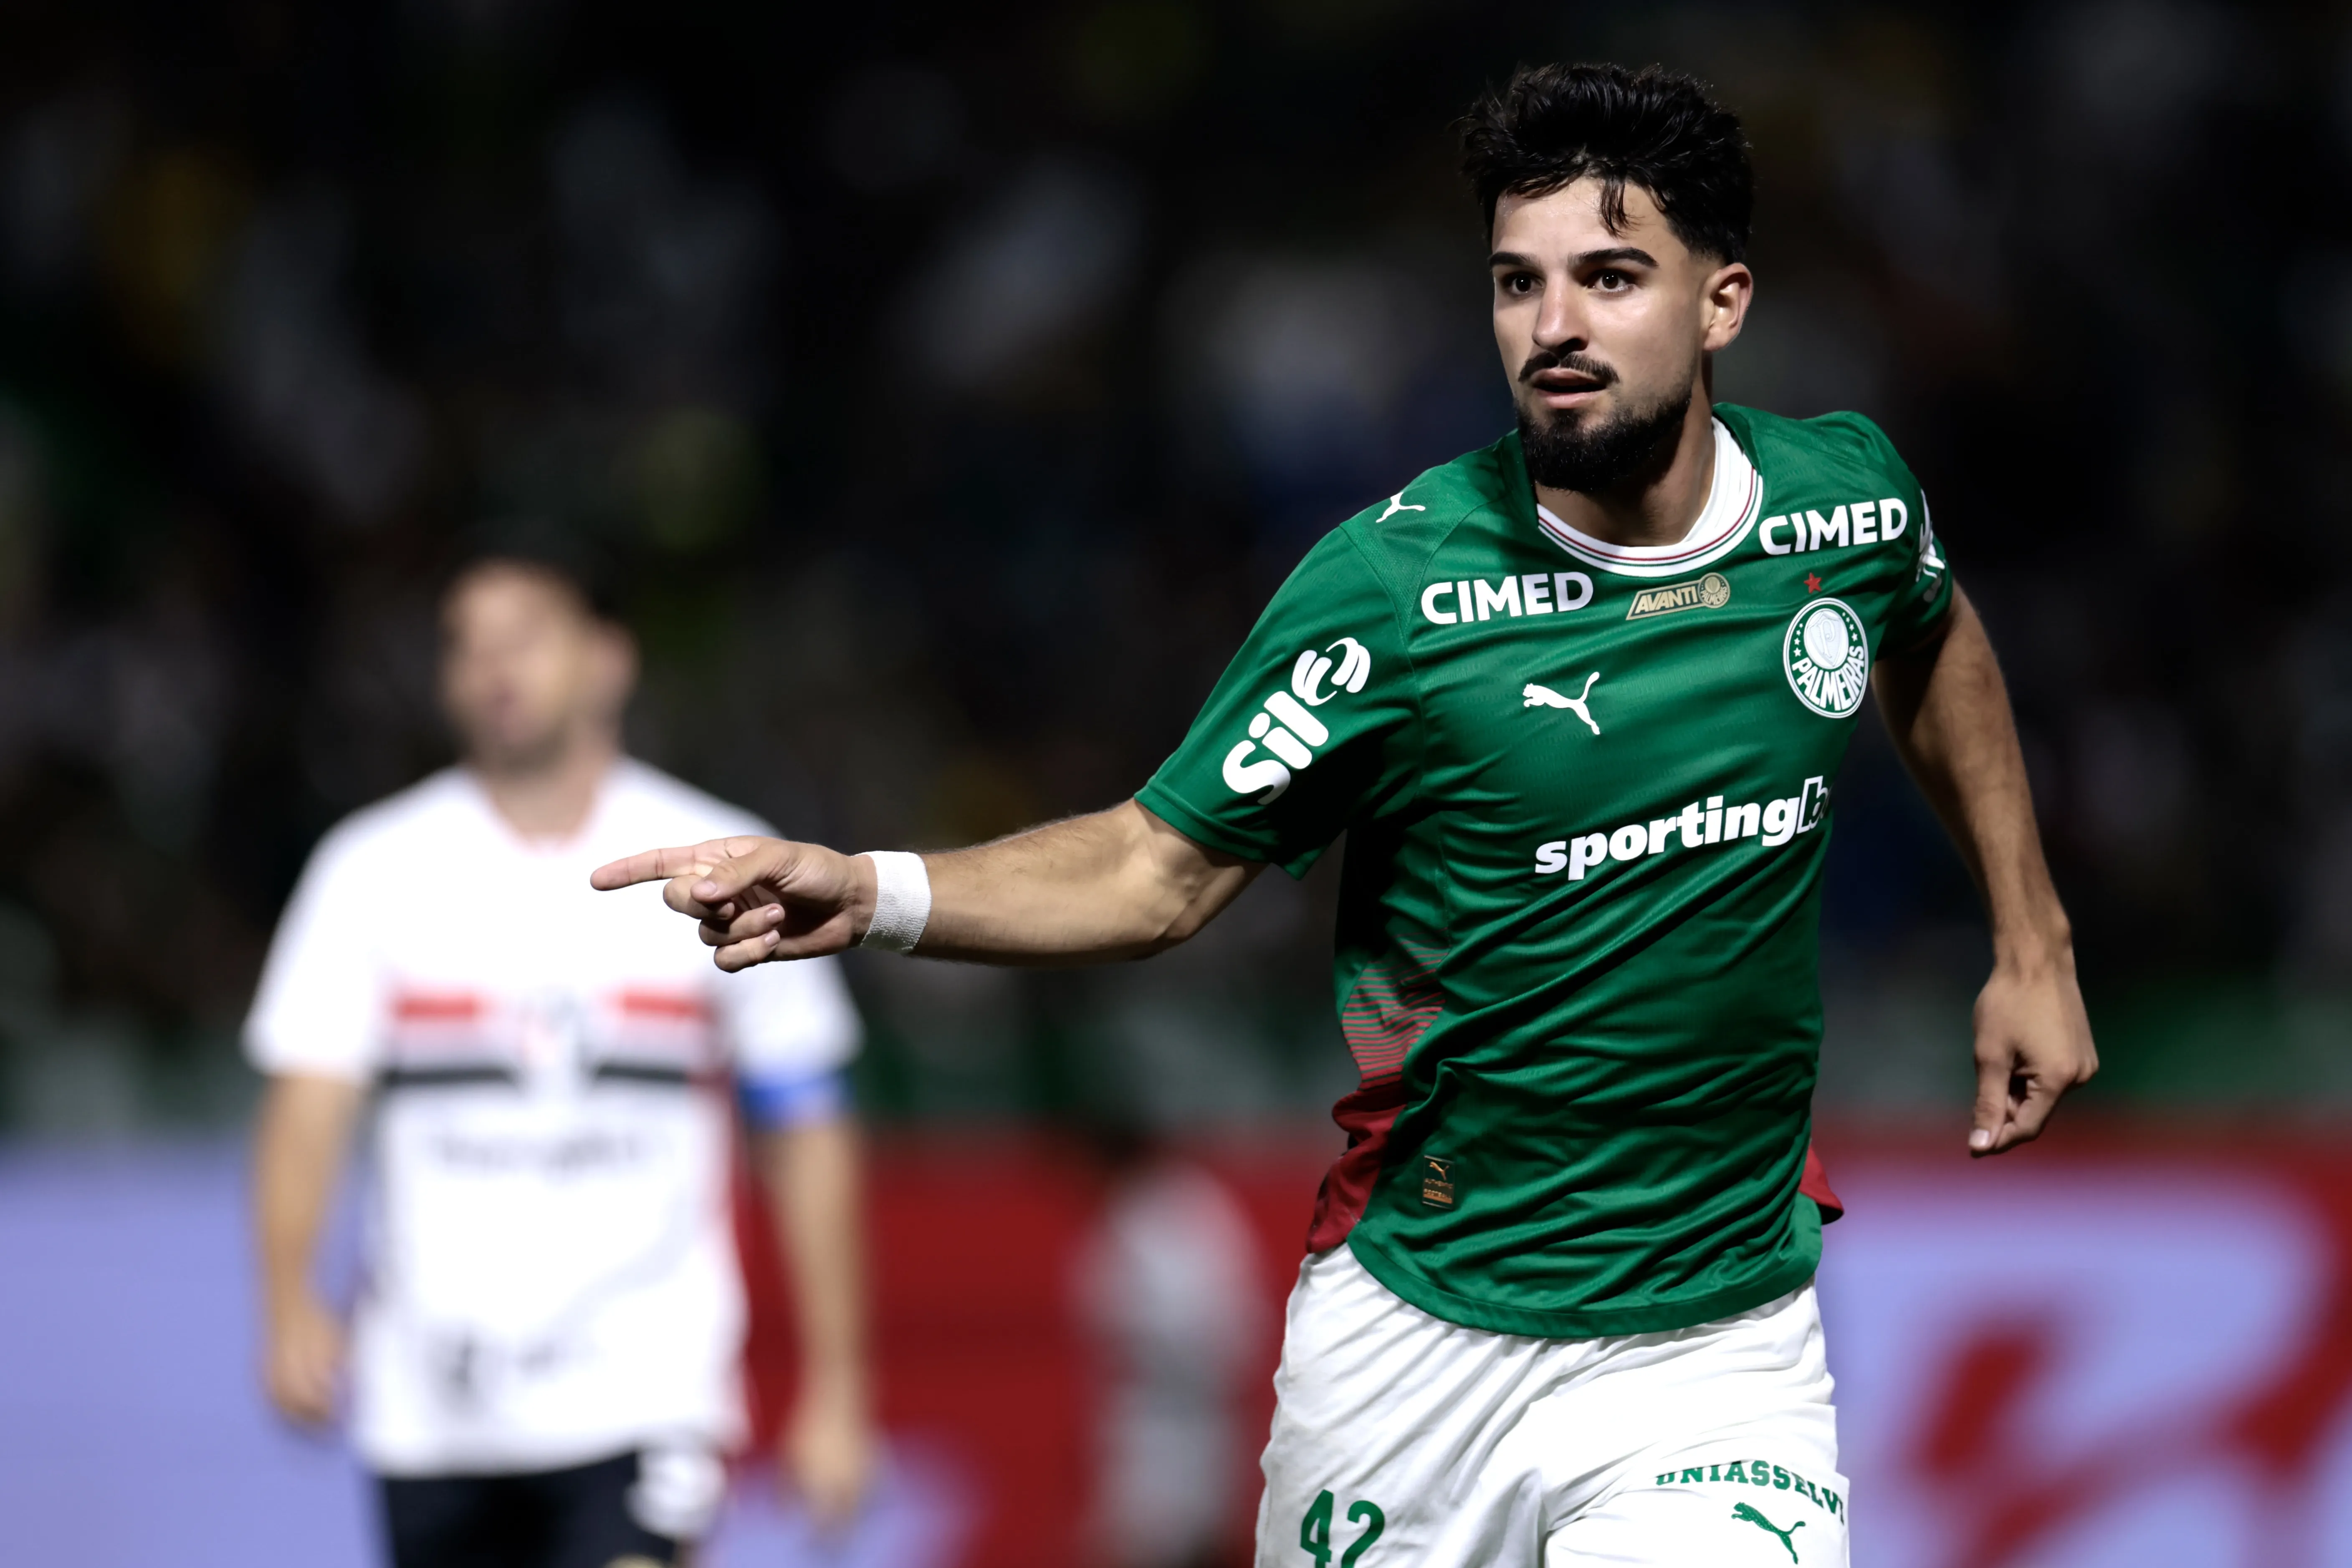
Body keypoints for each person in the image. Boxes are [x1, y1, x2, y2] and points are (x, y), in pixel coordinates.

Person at [592, 63, 2098, 1568]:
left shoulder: (1841, 505)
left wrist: (2029, 937)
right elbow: (1152, 871)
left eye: (1609, 277)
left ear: (1723, 303)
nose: (1553, 326)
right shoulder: (1397, 589)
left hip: (1712, 1351)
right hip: (1415, 1350)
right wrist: (873, 889)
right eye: (1518, 284)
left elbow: (1929, 630)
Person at [248, 551, 874, 1568]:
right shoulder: (369, 870)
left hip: (644, 1387)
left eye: (527, 635)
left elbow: (805, 1125)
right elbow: (307, 1104)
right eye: (466, 645)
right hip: (431, 1405)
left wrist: (839, 1388)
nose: (494, 667)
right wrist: (286, 1303)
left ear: (608, 659)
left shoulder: (727, 859)